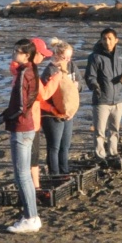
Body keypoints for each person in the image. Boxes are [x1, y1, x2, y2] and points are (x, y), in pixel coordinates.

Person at [0, 37, 46, 232]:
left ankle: (31, 217)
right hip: (28, 125)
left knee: (22, 175)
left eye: (17, 51)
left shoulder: (25, 73)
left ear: (27, 55)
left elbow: (21, 106)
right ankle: (32, 216)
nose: (14, 54)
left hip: (22, 127)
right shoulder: (30, 71)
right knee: (23, 174)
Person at [83, 28, 122, 159]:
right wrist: (96, 87)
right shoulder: (95, 57)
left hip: (118, 99)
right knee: (100, 131)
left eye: (110, 38)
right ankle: (100, 155)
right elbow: (90, 76)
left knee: (115, 130)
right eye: (104, 38)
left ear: (116, 40)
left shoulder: (121, 54)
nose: (107, 41)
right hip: (101, 100)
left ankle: (113, 152)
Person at [39, 39, 79, 173]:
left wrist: (76, 87)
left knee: (65, 146)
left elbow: (80, 84)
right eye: (64, 57)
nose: (67, 60)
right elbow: (43, 95)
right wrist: (54, 110)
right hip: (51, 115)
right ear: (56, 55)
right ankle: (55, 175)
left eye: (69, 57)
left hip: (68, 113)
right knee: (54, 147)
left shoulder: (71, 66)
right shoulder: (50, 70)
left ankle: (65, 172)